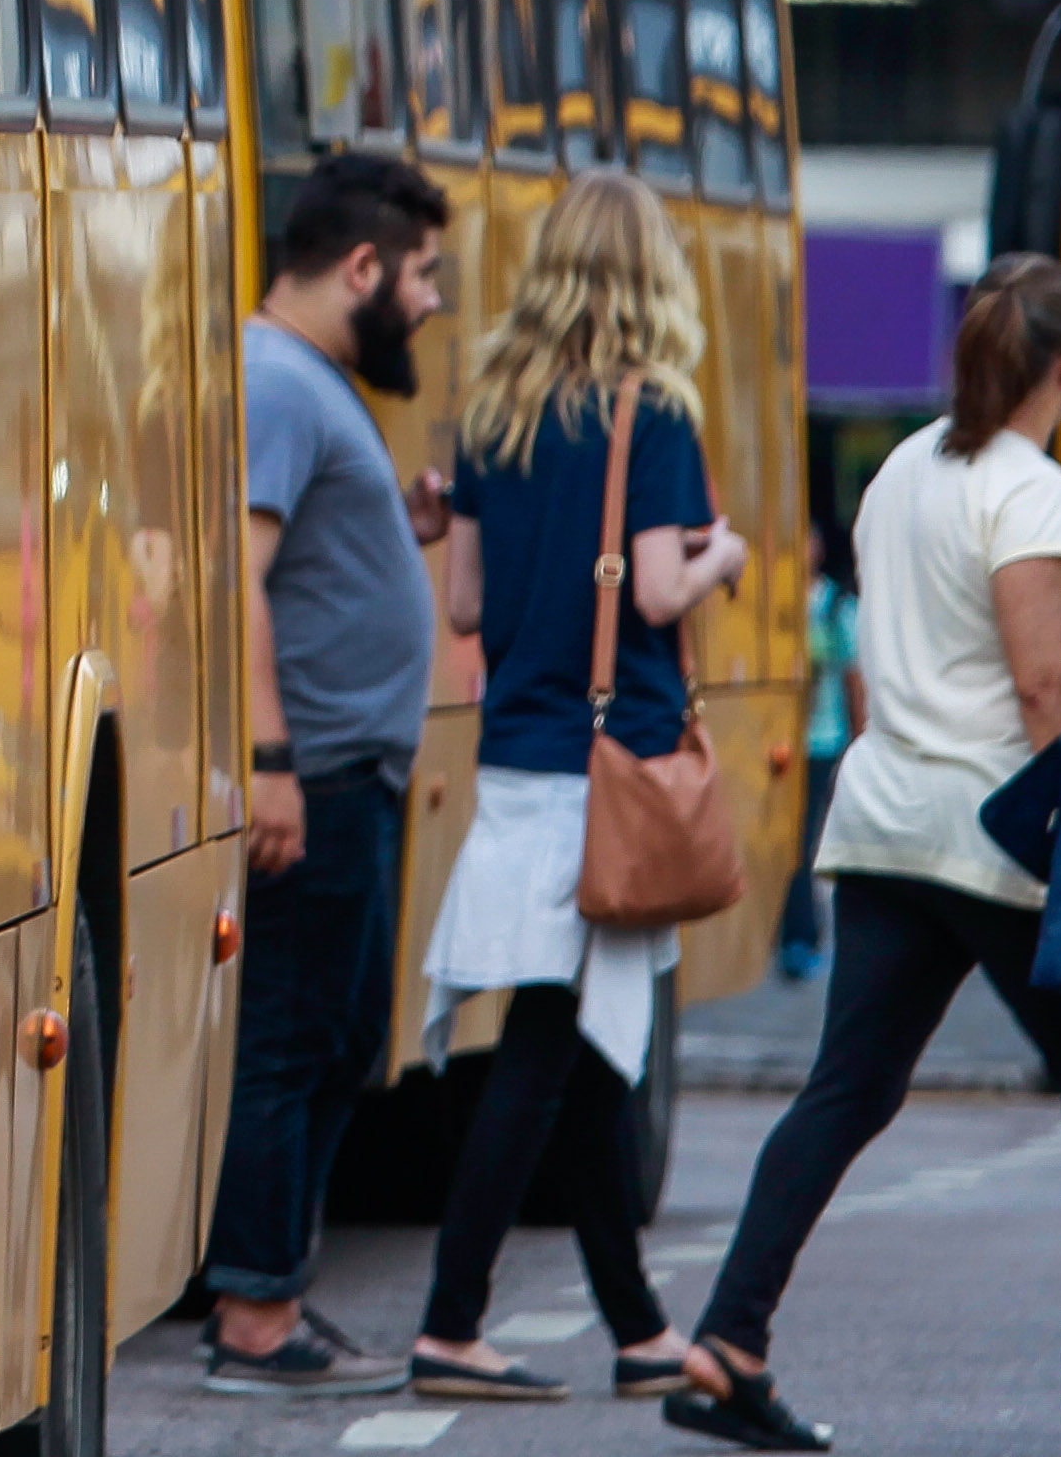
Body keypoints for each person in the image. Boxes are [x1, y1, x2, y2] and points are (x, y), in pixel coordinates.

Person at [660, 259, 1061, 1457]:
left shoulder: (904, 470)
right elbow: (1047, 689)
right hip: (1000, 841)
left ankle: (729, 1341)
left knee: (847, 1091)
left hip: (889, 821)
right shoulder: (1031, 496)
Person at [406, 170, 756, 1406]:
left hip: (521, 757)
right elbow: (659, 592)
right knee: (557, 1047)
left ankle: (638, 1323)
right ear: (648, 275)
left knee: (586, 1049)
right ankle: (452, 1321)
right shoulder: (650, 415)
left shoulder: (493, 412)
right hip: (610, 771)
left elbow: (463, 605)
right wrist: (727, 553)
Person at [199, 151, 459, 1397]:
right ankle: (254, 1316)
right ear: (360, 266)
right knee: (297, 1041)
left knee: (345, 1034)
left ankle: (273, 1293)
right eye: (420, 277)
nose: (429, 305)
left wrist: (390, 539)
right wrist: (269, 764)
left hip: (354, 767)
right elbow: (237, 579)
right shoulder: (279, 384)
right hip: (318, 773)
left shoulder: (305, 383)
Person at [780, 544, 855, 981]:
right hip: (782, 745)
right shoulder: (773, 602)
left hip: (826, 742)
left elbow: (854, 678)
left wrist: (859, 743)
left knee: (812, 841)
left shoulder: (836, 606)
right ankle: (796, 935)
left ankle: (805, 936)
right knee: (795, 840)